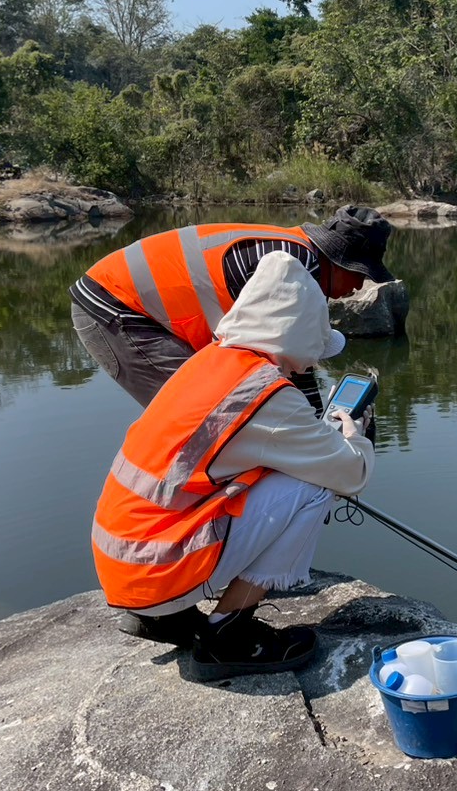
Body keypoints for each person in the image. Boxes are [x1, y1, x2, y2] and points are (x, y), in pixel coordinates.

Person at [90, 251, 376, 678]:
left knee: (286, 471)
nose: (315, 360)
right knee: (313, 485)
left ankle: (162, 614)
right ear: (296, 334)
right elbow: (351, 475)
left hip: (125, 561)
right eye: (315, 345)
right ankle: (225, 636)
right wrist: (355, 435)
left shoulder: (210, 362)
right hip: (155, 566)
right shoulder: (268, 394)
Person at [70, 205, 394, 408]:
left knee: (235, 411)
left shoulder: (295, 253)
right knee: (204, 417)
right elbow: (288, 361)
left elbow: (291, 361)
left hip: (126, 303)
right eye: (359, 274)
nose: (358, 286)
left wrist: (311, 427)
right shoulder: (297, 265)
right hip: (116, 307)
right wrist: (316, 436)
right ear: (337, 261)